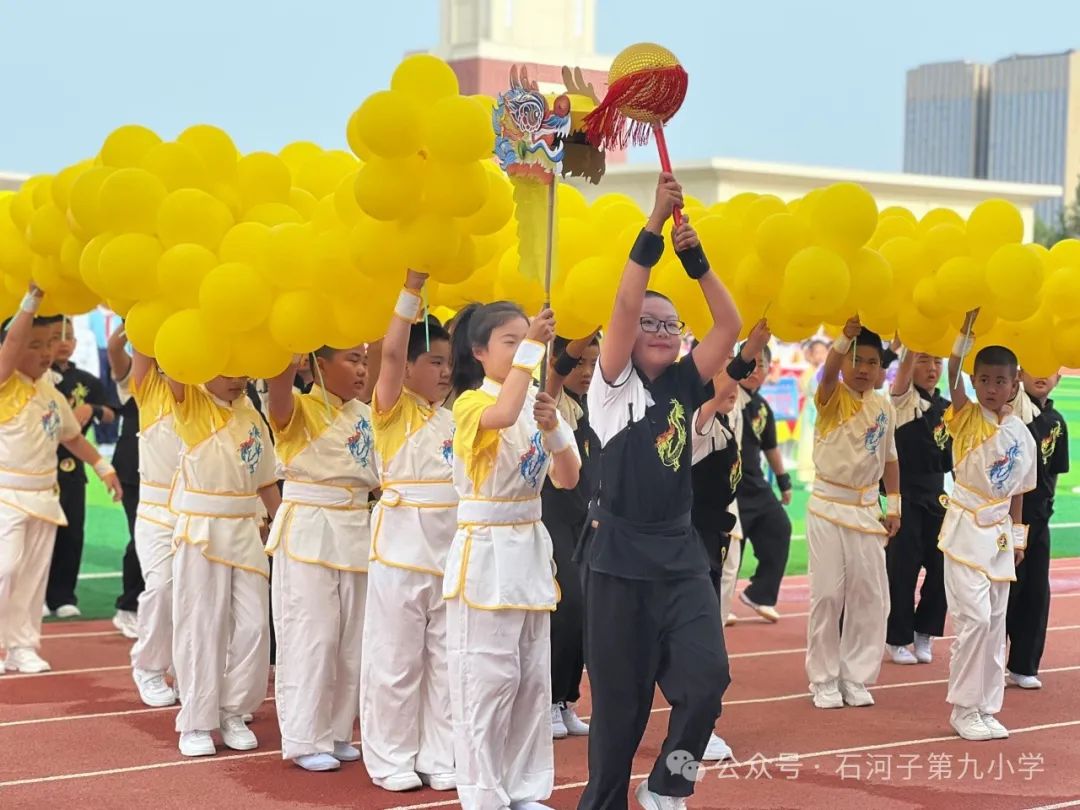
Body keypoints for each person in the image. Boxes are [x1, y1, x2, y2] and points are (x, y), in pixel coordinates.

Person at [577, 173, 741, 810]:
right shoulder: (611, 388)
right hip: (617, 560)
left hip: (678, 557)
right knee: (620, 716)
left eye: (672, 324)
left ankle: (669, 783)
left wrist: (694, 258)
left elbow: (726, 322)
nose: (662, 329)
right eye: (651, 322)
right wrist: (652, 226)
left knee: (707, 682)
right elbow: (623, 307)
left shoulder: (684, 382)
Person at [444, 301, 579, 810]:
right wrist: (532, 353)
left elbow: (568, 477)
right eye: (510, 340)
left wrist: (553, 427)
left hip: (528, 548)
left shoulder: (536, 401)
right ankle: (483, 794)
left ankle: (523, 789)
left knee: (528, 678)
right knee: (487, 678)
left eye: (528, 339)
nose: (523, 348)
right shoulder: (471, 404)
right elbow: (500, 417)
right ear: (479, 352)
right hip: (486, 550)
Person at [133, 351, 281, 756]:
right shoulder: (191, 402)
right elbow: (174, 356)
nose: (237, 376)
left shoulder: (252, 415)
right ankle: (197, 720)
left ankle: (233, 709)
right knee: (201, 626)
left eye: (241, 368)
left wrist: (284, 526)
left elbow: (266, 481)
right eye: (225, 368)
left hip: (245, 531)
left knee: (253, 629)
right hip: (201, 529)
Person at [361, 272, 458, 792]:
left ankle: (439, 752)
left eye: (448, 362)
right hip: (400, 546)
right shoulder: (391, 411)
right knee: (395, 659)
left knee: (444, 658)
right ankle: (390, 756)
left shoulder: (455, 419)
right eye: (434, 362)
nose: (444, 372)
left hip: (449, 548)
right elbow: (391, 355)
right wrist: (411, 290)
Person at [265, 343, 377, 772]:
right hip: (311, 526)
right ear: (318, 365)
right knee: (313, 635)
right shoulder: (297, 408)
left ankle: (335, 730)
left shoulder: (365, 415)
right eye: (352, 360)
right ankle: (304, 737)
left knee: (351, 638)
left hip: (355, 526)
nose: (362, 369)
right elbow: (278, 392)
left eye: (365, 360)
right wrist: (288, 351)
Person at [0, 288, 121, 674]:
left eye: (51, 343)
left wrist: (104, 468)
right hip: (6, 496)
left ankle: (21, 646)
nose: (46, 352)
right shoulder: (5, 386)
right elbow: (13, 342)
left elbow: (72, 437)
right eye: (35, 344)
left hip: (44, 495)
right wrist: (30, 302)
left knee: (33, 577)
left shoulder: (50, 392)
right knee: (5, 569)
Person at [939, 335, 1036, 741]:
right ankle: (963, 708)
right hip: (964, 528)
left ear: (1015, 384)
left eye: (1001, 381)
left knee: (996, 623)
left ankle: (986, 707)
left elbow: (1018, 492)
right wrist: (964, 338)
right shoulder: (965, 415)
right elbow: (951, 375)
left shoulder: (1020, 431)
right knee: (974, 621)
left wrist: (1017, 538)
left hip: (998, 535)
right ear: (975, 383)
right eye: (985, 380)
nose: (993, 388)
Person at [804, 316, 900, 710]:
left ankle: (856, 676)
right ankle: (824, 679)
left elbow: (890, 458)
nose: (862, 369)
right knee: (827, 595)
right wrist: (844, 337)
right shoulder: (831, 396)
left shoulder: (884, 405)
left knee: (871, 598)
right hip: (827, 507)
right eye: (856, 360)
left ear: (881, 370)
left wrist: (892, 504)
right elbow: (828, 372)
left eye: (872, 363)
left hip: (866, 511)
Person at [689, 320, 771, 765]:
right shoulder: (696, 426)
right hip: (689, 546)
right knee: (699, 648)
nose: (734, 384)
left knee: (710, 644)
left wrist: (758, 339)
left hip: (717, 543)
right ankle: (694, 732)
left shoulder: (726, 422)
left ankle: (699, 727)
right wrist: (747, 349)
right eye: (723, 375)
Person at [542, 332, 600, 741]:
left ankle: (566, 700)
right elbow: (555, 373)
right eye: (581, 363)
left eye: (594, 364)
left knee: (585, 615)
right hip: (551, 520)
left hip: (587, 523)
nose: (587, 372)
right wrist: (576, 340)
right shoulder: (553, 403)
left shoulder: (592, 408)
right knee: (564, 611)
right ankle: (545, 700)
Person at [45, 319, 116, 617]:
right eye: (56, 337)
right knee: (38, 534)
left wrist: (94, 410)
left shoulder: (86, 380)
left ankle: (63, 596)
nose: (64, 342)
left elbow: (112, 414)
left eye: (69, 337)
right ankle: (36, 595)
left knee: (72, 532)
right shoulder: (32, 381)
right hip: (35, 468)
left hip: (72, 467)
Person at [884, 349, 951, 666]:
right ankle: (897, 638)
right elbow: (901, 377)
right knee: (902, 571)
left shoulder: (947, 409)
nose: (932, 367)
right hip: (906, 497)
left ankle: (925, 631)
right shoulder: (901, 401)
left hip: (938, 499)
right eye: (925, 360)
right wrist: (913, 341)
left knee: (941, 570)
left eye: (937, 361)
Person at [1006, 370, 1068, 689]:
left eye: (1048, 368)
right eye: (1033, 364)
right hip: (1007, 518)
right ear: (1018, 373)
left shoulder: (1056, 422)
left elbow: (1055, 472)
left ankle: (1024, 665)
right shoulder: (1012, 410)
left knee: (1035, 593)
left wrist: (1046, 509)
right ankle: (988, 663)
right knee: (1006, 591)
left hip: (1039, 521)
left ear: (1057, 376)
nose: (1041, 374)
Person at [734, 343, 793, 622]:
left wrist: (784, 482)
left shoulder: (762, 407)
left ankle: (760, 593)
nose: (754, 370)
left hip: (755, 484)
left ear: (769, 370)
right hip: (727, 485)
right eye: (749, 362)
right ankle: (719, 603)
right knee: (731, 545)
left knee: (780, 527)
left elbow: (771, 447)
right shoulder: (725, 395)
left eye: (761, 364)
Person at [107, 324, 143, 641]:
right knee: (140, 537)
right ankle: (128, 606)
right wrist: (134, 317)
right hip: (134, 469)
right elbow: (114, 347)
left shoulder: (185, 372)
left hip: (171, 470)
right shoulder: (133, 376)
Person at [795, 337, 828, 485]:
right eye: (817, 352)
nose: (820, 355)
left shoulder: (830, 371)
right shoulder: (809, 372)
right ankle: (809, 477)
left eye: (823, 352)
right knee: (809, 443)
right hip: (810, 411)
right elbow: (804, 389)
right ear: (811, 355)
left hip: (826, 411)